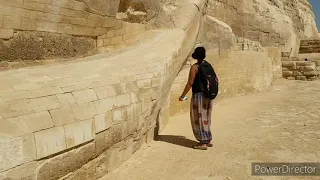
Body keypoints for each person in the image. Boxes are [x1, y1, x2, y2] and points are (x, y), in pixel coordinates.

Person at [179, 47, 214, 150]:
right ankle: (208, 139)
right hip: (209, 95)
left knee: (199, 118)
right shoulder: (208, 65)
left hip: (199, 96)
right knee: (206, 117)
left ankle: (203, 143)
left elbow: (190, 83)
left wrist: (183, 96)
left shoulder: (195, 67)